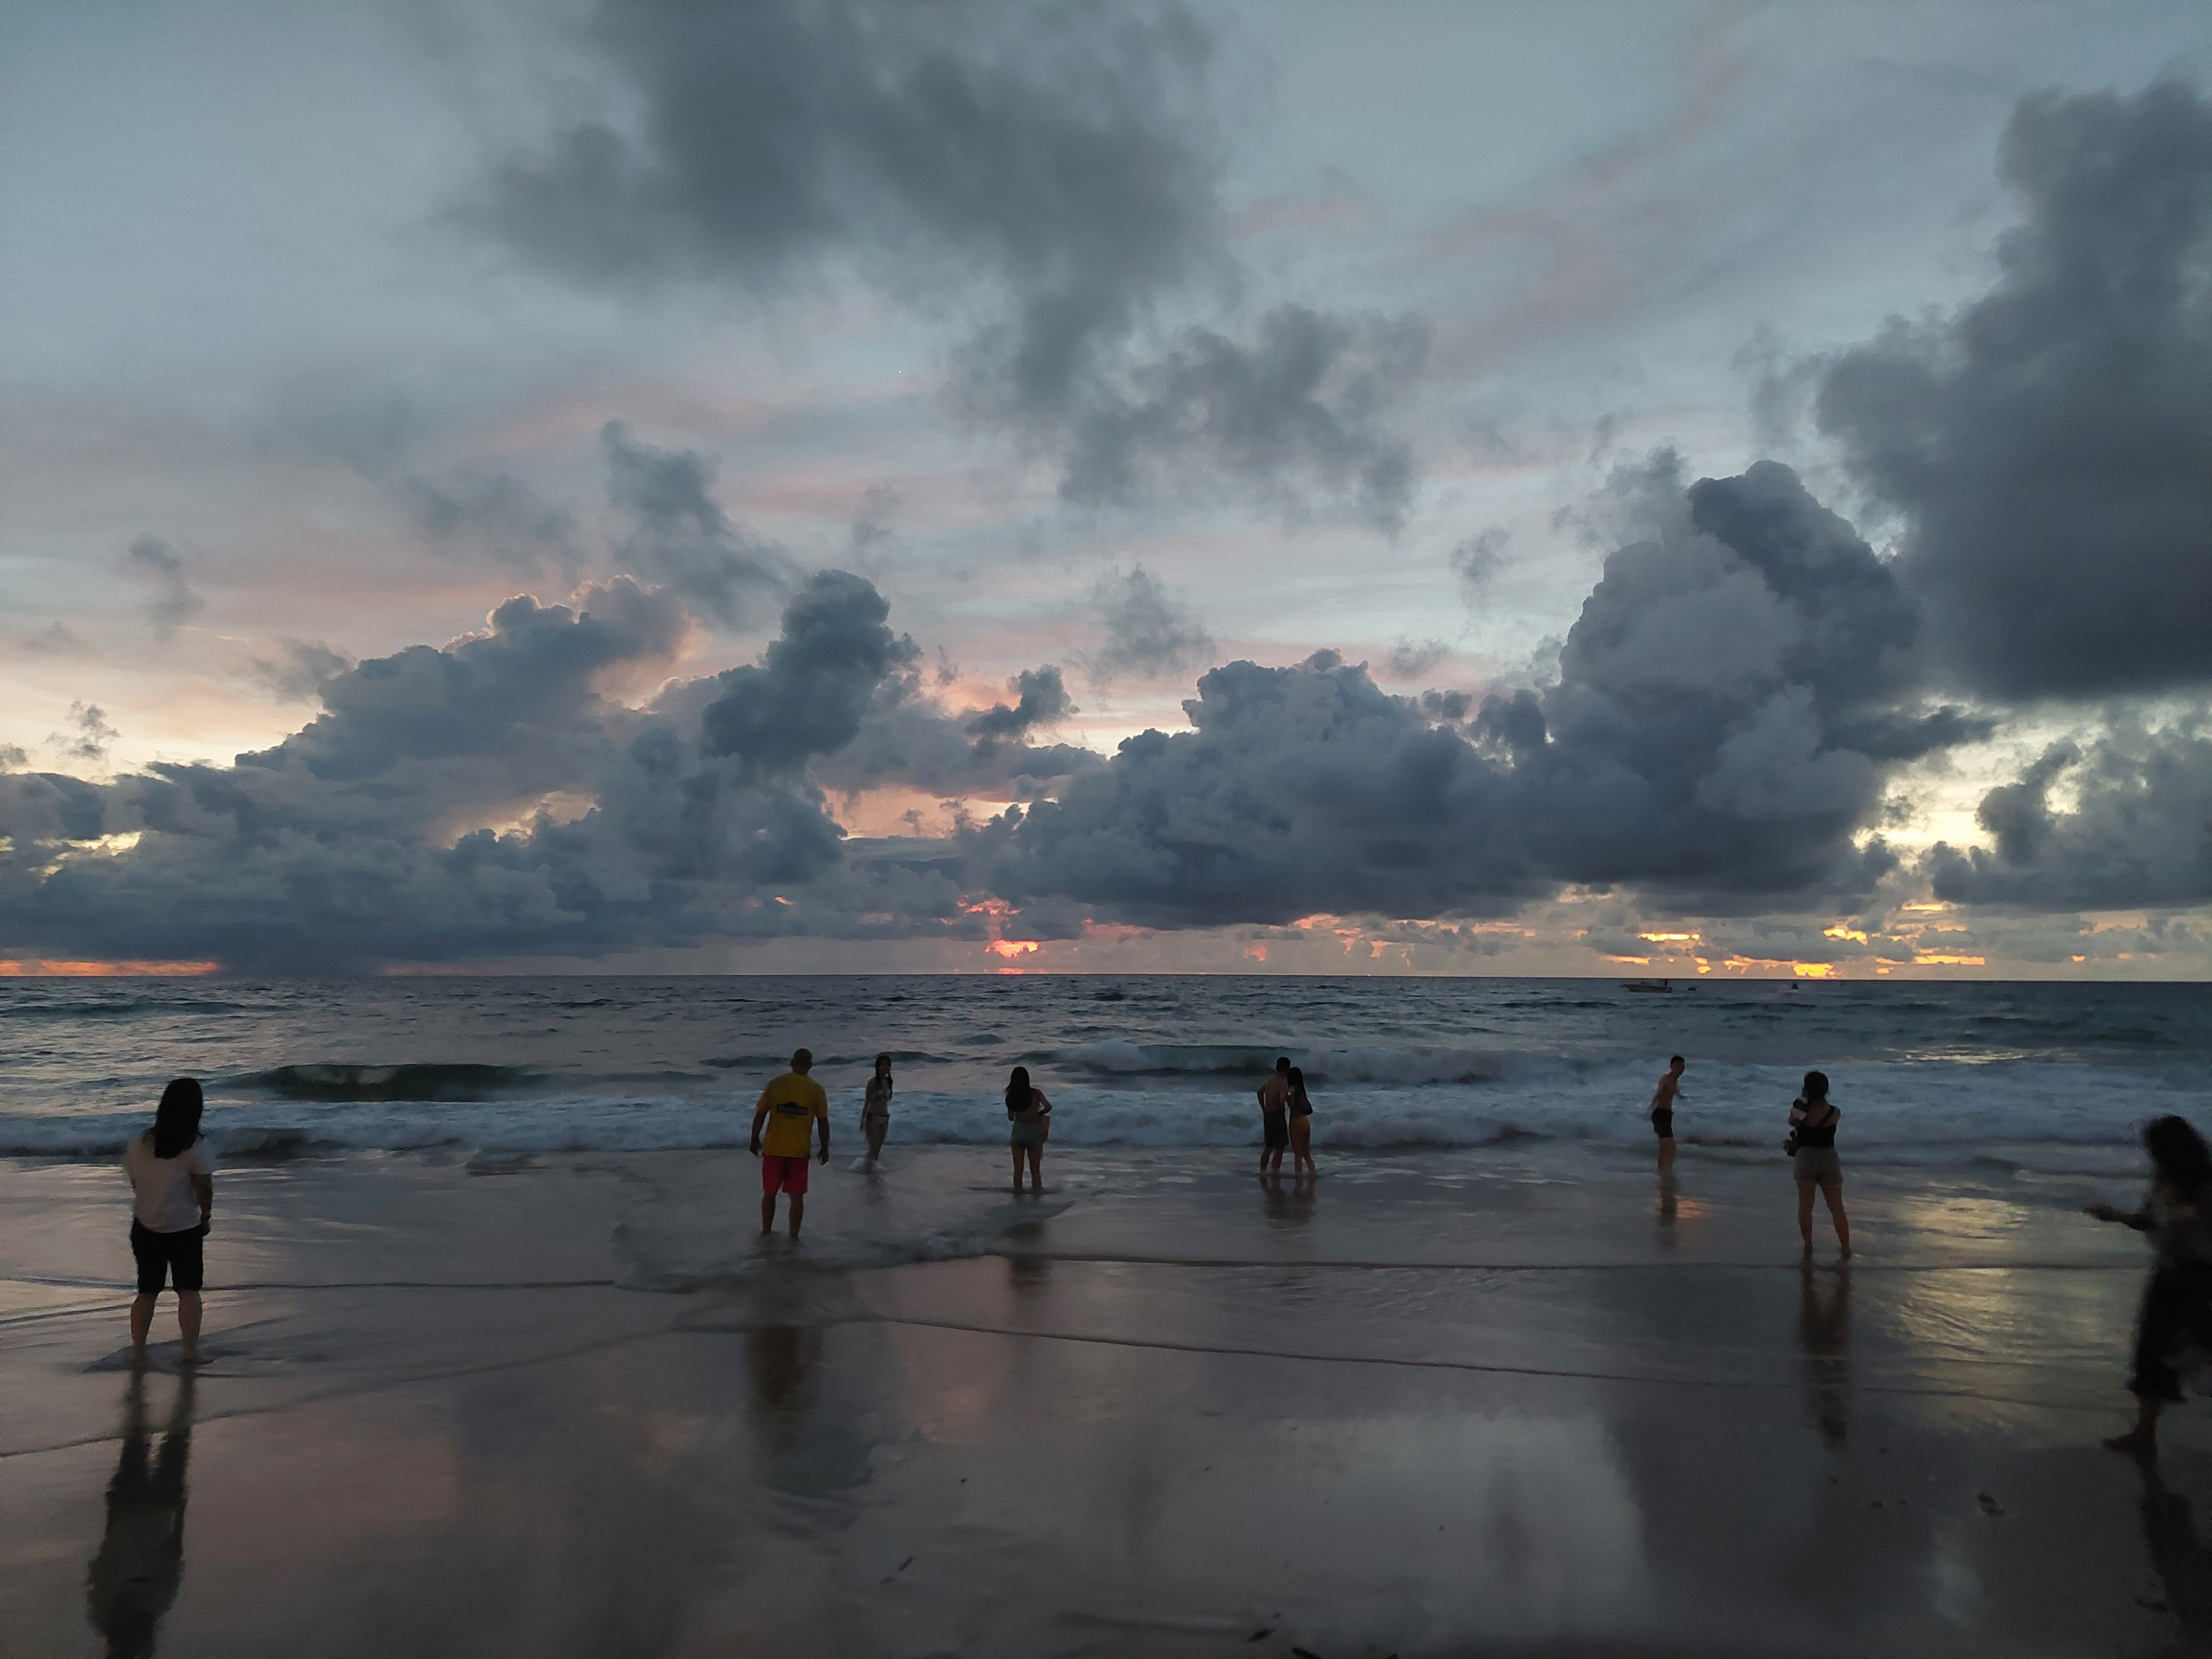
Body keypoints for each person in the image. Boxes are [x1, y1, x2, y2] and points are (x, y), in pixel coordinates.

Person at [2088, 1115, 2212, 1457]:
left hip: (2200, 1276)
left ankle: (2145, 1434)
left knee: (2190, 1351)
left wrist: (2190, 1218)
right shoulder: (2164, 1180)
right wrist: (2113, 1215)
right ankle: (2144, 1434)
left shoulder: (2205, 1184)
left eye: (2155, 1149)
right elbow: (2148, 1220)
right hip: (2170, 1273)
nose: (2151, 1155)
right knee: (2153, 1351)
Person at [124, 1078, 214, 1367]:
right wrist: (206, 1215)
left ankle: (139, 1351)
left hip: (145, 1225)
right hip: (183, 1227)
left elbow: (135, 1182)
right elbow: (204, 1188)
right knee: (188, 1291)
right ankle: (189, 1351)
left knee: (147, 1292)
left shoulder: (140, 1143)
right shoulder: (196, 1147)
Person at [750, 1048, 830, 1239]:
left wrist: (754, 1138)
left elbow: (761, 1113)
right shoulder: (816, 1089)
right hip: (799, 1150)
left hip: (774, 1148)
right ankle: (793, 1236)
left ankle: (766, 1231)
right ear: (810, 1066)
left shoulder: (776, 1084)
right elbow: (823, 1121)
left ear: (791, 1063)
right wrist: (825, 1147)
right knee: (797, 1197)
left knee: (769, 1193)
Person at [1787, 1070, 1849, 1259]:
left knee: (1806, 1206)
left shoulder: (1799, 1110)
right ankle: (1846, 1247)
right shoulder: (1835, 1112)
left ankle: (1808, 1246)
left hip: (1806, 1159)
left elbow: (1791, 1122)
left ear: (1806, 1089)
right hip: (1829, 1160)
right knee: (1837, 1208)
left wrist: (1802, 1100)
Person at [1006, 1065, 1051, 1193]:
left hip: (1018, 1133)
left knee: (1018, 1170)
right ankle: (1037, 1197)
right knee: (1035, 1170)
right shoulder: (1036, 1093)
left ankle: (1018, 1197)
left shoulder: (1011, 1096)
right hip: (1034, 1134)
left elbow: (1011, 1118)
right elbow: (1049, 1107)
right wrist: (1039, 1114)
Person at [1256, 1056, 1292, 1175]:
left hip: (1268, 1115)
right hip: (1277, 1116)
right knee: (1280, 1148)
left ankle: (1263, 1171)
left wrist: (1264, 1108)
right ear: (1287, 1069)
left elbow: (1260, 1092)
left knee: (1269, 1146)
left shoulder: (1270, 1080)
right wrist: (1289, 1097)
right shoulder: (1282, 1084)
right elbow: (1282, 1101)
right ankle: (1275, 1172)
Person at [1650, 1054, 1686, 1172]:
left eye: (1683, 1067)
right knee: (1670, 1145)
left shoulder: (1675, 1082)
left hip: (1667, 1114)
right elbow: (1659, 1093)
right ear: (1672, 1067)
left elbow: (1677, 1093)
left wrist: (1682, 1097)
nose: (1681, 1069)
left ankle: (1661, 1169)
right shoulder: (1665, 1079)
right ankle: (1668, 1170)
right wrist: (1651, 1107)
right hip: (1660, 1114)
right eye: (1678, 1066)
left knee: (1664, 1146)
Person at [861, 1052, 894, 1169]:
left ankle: (872, 1170)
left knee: (879, 1146)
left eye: (888, 1065)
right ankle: (867, 1169)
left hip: (885, 1117)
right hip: (873, 1117)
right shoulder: (873, 1083)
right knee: (873, 1147)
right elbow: (867, 1102)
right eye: (883, 1065)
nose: (885, 1067)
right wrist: (863, 1120)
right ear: (878, 1067)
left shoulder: (889, 1082)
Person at [1286, 1064, 1317, 1177]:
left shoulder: (1292, 1090)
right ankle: (1313, 1174)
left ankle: (1298, 1181)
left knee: (1298, 1156)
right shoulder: (1302, 1090)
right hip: (1305, 1121)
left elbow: (1292, 1105)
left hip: (1296, 1122)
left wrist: (1287, 1096)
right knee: (1307, 1154)